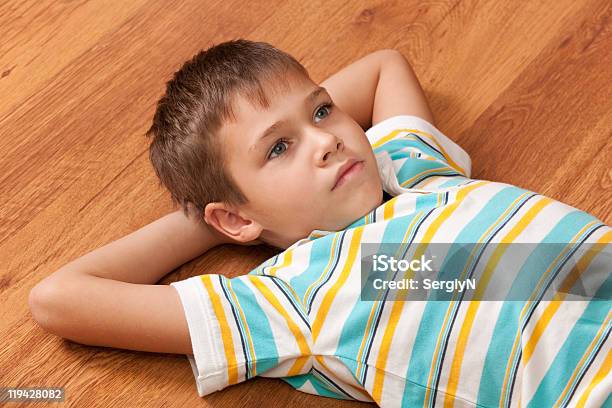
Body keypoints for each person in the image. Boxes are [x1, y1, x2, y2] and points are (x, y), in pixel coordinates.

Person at [29, 39, 611, 407]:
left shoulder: (414, 175)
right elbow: (59, 298)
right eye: (278, 148)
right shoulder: (295, 297)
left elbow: (384, 66)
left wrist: (251, 191)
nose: (326, 139)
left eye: (323, 111)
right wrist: (220, 217)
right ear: (232, 217)